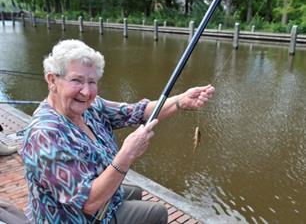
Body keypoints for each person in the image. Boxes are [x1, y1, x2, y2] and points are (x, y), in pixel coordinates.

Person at [20, 39, 215, 223]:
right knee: (157, 213)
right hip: (76, 217)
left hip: (97, 204)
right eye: (77, 80)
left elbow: (136, 112)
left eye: (92, 81)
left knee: (136, 192)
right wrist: (127, 154)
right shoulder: (45, 135)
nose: (86, 91)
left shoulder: (90, 107)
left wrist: (180, 101)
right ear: (52, 80)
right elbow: (89, 203)